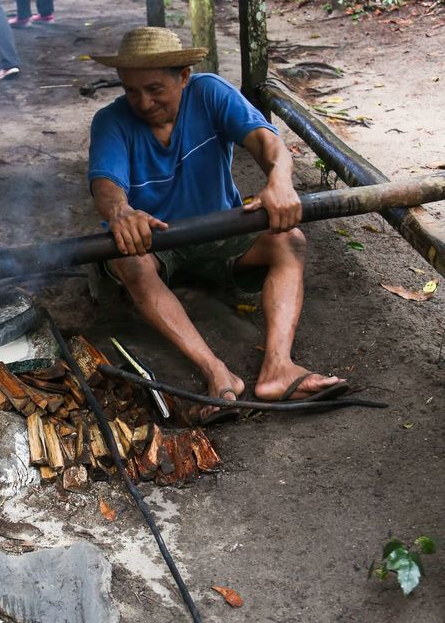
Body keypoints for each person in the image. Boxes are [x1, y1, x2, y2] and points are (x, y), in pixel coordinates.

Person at [88, 27, 346, 424]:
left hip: (220, 232)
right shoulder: (111, 121)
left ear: (184, 76)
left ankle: (278, 367)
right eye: (131, 90)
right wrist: (121, 211)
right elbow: (106, 185)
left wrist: (278, 181)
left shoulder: (209, 92)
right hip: (156, 243)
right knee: (131, 262)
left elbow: (267, 142)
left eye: (155, 88)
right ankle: (217, 373)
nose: (143, 101)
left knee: (289, 240)